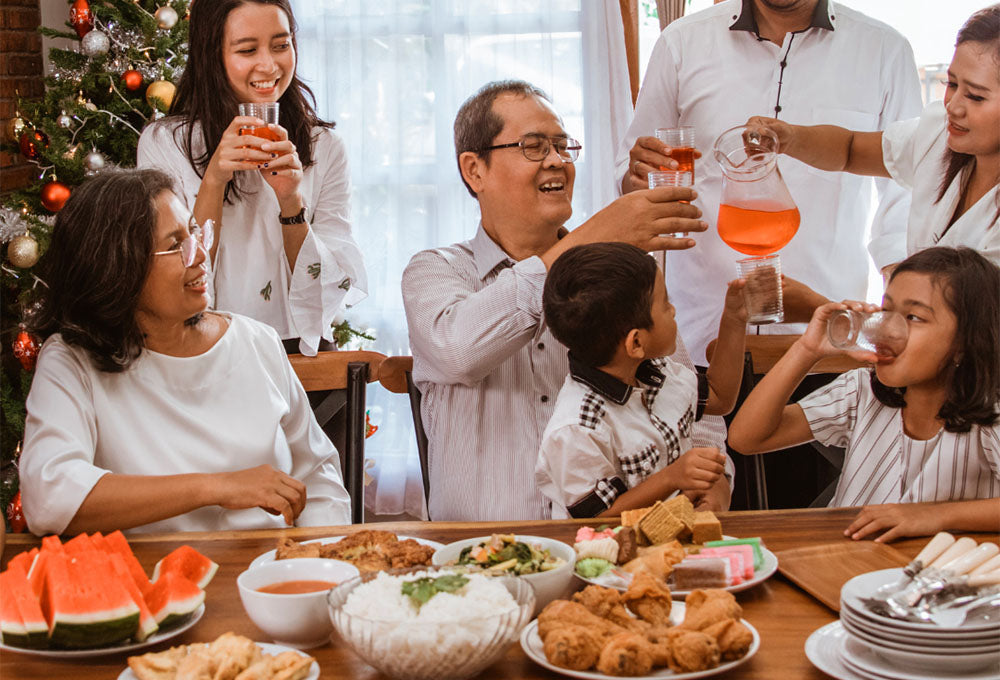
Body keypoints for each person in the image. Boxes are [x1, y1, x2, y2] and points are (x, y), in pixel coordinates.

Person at [403, 80, 735, 521]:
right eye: (534, 146)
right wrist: (593, 235)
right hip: (484, 559)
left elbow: (696, 413)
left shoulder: (616, 275)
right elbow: (459, 351)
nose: (558, 161)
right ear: (474, 169)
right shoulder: (435, 271)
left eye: (562, 146)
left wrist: (715, 489)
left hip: (616, 556)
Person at [19, 170, 352, 535]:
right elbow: (48, 498)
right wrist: (217, 487)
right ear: (118, 267)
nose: (200, 255)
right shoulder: (70, 361)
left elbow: (318, 476)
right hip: (142, 583)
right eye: (177, 244)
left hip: (269, 574)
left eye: (195, 232)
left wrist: (315, 565)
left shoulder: (257, 342)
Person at [617, 0, 922, 363]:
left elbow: (905, 192)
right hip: (697, 332)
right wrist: (637, 176)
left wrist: (904, 305)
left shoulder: (884, 50)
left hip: (826, 334)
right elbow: (632, 171)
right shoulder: (681, 42)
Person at [137, 0, 365, 356]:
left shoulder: (324, 146)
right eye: (247, 49)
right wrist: (213, 180)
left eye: (280, 45)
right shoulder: (166, 143)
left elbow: (329, 289)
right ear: (211, 55)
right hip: (202, 351)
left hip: (300, 354)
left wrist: (291, 202)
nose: (268, 65)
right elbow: (166, 277)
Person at [728, 247, 1000, 542]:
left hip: (933, 577)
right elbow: (747, 438)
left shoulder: (989, 414)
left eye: (913, 317)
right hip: (842, 561)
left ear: (966, 341)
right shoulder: (863, 390)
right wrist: (807, 350)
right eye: (886, 311)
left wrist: (933, 516)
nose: (888, 329)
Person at [744, 5, 1000, 266]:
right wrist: (790, 138)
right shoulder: (936, 134)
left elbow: (958, 302)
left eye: (976, 96)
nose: (953, 106)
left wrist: (817, 303)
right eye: (952, 84)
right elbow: (850, 150)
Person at [535, 243, 746, 519]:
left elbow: (720, 397)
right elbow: (596, 519)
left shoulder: (658, 372)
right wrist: (672, 477)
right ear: (636, 342)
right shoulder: (578, 428)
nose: (673, 310)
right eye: (664, 304)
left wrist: (734, 318)